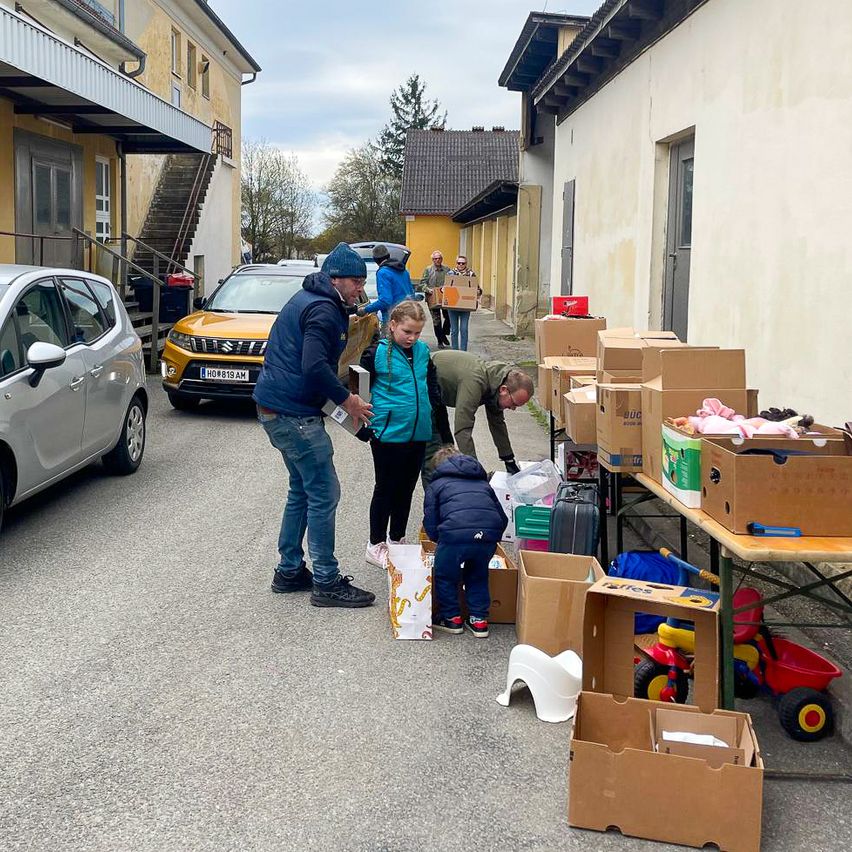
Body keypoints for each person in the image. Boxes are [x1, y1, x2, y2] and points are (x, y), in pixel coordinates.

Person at [254, 242, 376, 609]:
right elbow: (313, 365)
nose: (360, 288)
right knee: (324, 492)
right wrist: (347, 400)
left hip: (275, 408)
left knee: (302, 489)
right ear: (335, 278)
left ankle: (290, 570)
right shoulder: (323, 310)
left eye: (362, 281)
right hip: (294, 416)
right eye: (356, 281)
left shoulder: (309, 298)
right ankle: (326, 581)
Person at [359, 300, 453, 567]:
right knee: (386, 488)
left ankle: (397, 538)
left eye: (417, 333)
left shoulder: (423, 352)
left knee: (407, 489)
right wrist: (363, 430)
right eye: (406, 332)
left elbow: (434, 395)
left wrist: (444, 436)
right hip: (387, 434)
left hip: (419, 432)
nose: (412, 338)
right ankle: (375, 543)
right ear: (393, 326)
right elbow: (357, 393)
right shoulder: (376, 353)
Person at [423, 446, 509, 637]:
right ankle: (479, 621)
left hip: (454, 537)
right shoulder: (483, 484)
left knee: (446, 575)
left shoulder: (436, 485)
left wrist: (437, 538)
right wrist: (492, 536)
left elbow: (431, 518)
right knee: (477, 575)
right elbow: (501, 517)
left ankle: (452, 618)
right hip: (487, 536)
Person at [425, 350, 534, 482]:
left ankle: (450, 489)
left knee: (448, 447)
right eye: (513, 403)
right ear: (504, 390)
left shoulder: (496, 383)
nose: (513, 408)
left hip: (437, 394)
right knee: (434, 452)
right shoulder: (475, 382)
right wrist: (475, 471)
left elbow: (497, 424)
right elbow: (463, 429)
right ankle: (437, 497)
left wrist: (509, 460)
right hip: (424, 388)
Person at [356, 244, 414, 331]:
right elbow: (412, 294)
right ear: (389, 255)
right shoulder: (404, 271)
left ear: (376, 260)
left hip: (393, 320)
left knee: (388, 344)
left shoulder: (383, 272)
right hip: (409, 317)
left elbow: (385, 301)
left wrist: (365, 309)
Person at [417, 250, 451, 348]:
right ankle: (440, 341)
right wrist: (428, 290)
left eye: (439, 258)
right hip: (432, 298)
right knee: (436, 320)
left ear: (442, 259)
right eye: (435, 259)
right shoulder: (428, 270)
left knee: (448, 317)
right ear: (432, 260)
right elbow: (422, 283)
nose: (437, 260)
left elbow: (451, 281)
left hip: (445, 297)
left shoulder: (447, 269)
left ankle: (444, 333)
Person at [445, 254, 478, 351]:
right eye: (458, 263)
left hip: (465, 307)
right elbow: (445, 288)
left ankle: (464, 351)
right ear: (456, 263)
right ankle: (455, 351)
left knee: (464, 329)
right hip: (453, 306)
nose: (460, 265)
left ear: (466, 264)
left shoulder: (471, 274)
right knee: (454, 330)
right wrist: (444, 290)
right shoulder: (450, 274)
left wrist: (477, 292)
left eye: (463, 263)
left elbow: (478, 289)